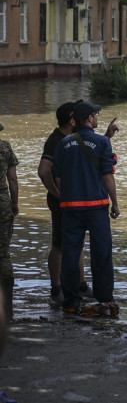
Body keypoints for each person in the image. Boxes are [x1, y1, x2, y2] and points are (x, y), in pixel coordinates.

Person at [38, 101, 120, 305]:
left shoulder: (64, 143)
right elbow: (108, 175)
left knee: (70, 253)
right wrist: (116, 203)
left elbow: (57, 175)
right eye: (96, 114)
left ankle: (71, 301)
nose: (98, 117)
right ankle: (105, 301)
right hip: (96, 206)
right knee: (101, 254)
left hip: (71, 208)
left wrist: (64, 198)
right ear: (90, 119)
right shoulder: (102, 143)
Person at [0, 120, 19, 322]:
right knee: (3, 254)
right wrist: (14, 203)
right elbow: (12, 179)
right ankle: (7, 310)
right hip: (2, 203)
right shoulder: (5, 148)